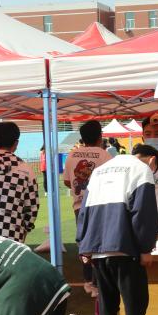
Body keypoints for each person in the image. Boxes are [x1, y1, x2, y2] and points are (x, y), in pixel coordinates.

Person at [77, 143, 158, 315]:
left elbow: (84, 210)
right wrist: (146, 247)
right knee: (134, 307)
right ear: (152, 161)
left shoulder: (100, 171)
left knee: (107, 307)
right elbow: (143, 212)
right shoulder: (142, 170)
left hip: (97, 249)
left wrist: (83, 244)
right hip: (126, 249)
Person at [62, 120, 112, 297]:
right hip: (100, 206)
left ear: (82, 137)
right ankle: (98, 283)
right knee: (100, 245)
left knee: (84, 244)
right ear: (100, 136)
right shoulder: (105, 155)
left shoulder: (72, 155)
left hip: (80, 207)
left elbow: (67, 181)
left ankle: (88, 281)